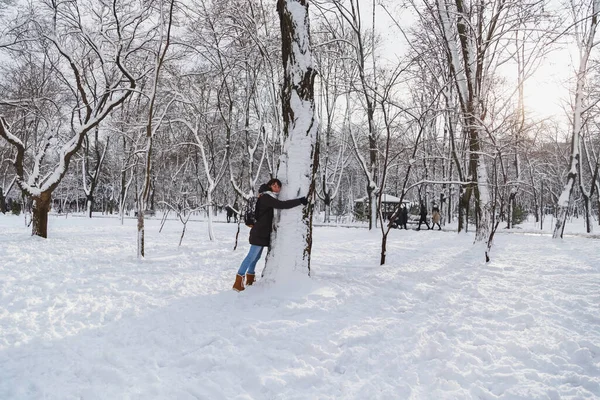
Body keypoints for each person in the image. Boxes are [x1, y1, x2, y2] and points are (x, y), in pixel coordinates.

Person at [232, 178, 308, 292]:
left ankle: (250, 279)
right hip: (259, 233)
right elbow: (282, 205)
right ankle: (238, 282)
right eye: (274, 185)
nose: (277, 188)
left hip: (262, 233)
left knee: (255, 258)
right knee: (251, 257)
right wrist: (299, 201)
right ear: (270, 186)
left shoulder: (266, 196)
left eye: (279, 186)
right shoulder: (266, 197)